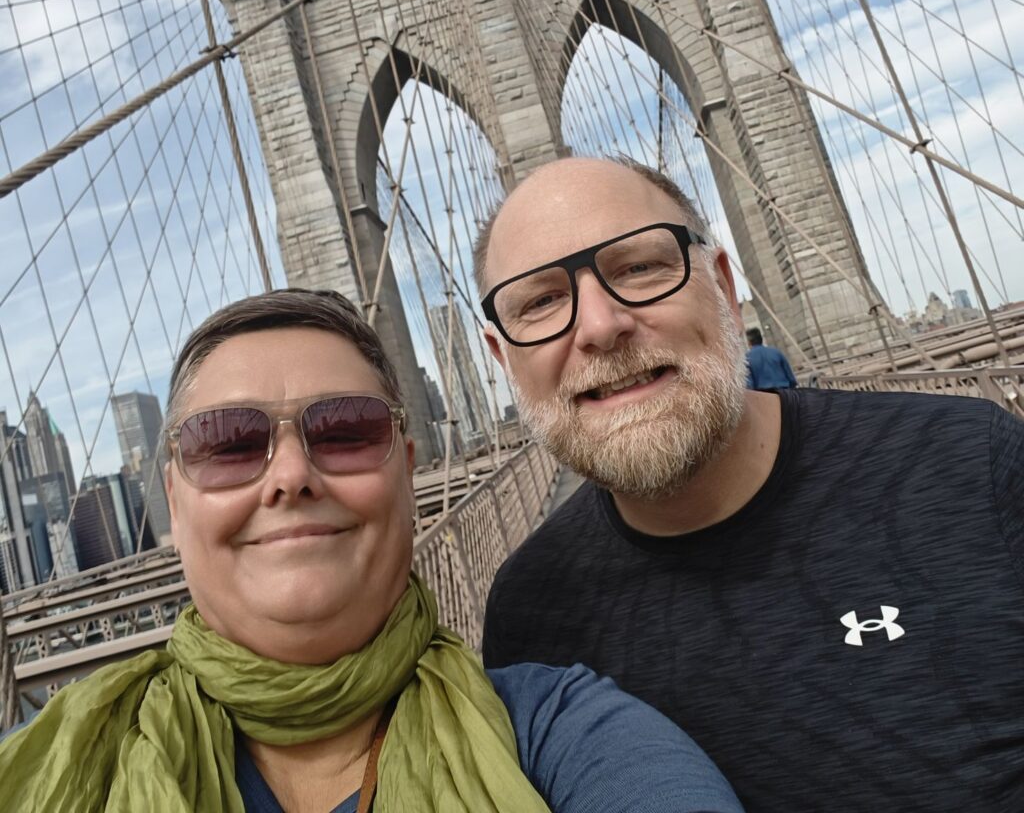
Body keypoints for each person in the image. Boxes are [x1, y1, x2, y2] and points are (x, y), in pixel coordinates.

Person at [0, 288, 744, 813]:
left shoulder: (563, 736)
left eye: (347, 431)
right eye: (227, 444)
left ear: (407, 469)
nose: (290, 476)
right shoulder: (50, 760)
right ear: (173, 494)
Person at [474, 155, 1024, 813]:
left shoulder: (972, 462)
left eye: (640, 267)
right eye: (540, 302)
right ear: (504, 360)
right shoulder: (530, 612)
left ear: (723, 287)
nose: (599, 326)